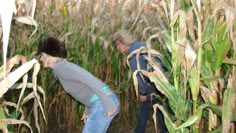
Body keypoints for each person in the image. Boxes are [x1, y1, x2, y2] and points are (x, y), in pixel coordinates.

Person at [37, 36, 120, 133]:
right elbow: (84, 86)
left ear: (49, 55)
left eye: (42, 55)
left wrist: (107, 102)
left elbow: (89, 79)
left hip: (103, 102)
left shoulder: (60, 68)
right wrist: (88, 109)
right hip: (102, 101)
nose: (41, 59)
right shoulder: (63, 66)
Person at [112, 30, 167, 133]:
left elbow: (140, 74)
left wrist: (143, 93)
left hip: (154, 83)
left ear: (120, 42)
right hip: (161, 79)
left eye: (117, 45)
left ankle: (142, 130)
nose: (117, 48)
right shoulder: (140, 45)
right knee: (156, 107)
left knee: (148, 105)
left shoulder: (133, 55)